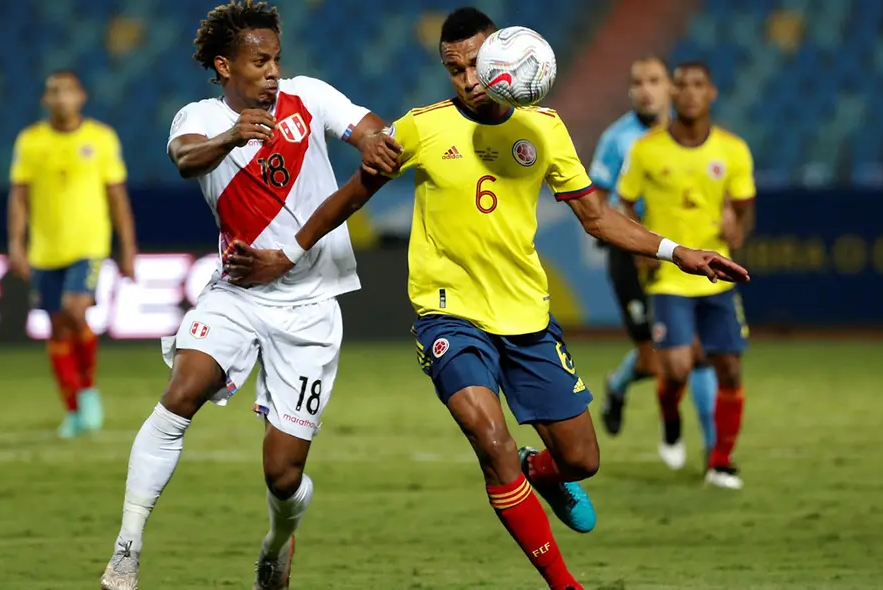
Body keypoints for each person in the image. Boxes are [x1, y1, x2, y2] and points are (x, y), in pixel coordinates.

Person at [223, 9, 749, 588]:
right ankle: (565, 583)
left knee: (581, 461)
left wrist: (679, 252)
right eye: (455, 69)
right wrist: (290, 252)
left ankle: (540, 472)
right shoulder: (421, 128)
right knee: (491, 440)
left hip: (526, 315)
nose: (468, 79)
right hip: (447, 313)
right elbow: (350, 197)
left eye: (475, 64)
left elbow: (597, 218)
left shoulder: (543, 129)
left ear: (503, 56)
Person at [98, 2, 402, 589]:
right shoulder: (199, 115)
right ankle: (126, 553)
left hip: (311, 308)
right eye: (259, 61)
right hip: (236, 294)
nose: (272, 71)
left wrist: (375, 144)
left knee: (282, 475)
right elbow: (185, 159)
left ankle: (277, 545)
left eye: (276, 59)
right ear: (224, 66)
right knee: (181, 394)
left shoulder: (307, 97)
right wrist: (229, 135)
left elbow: (373, 131)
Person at [616, 61, 755, 490]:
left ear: (712, 93)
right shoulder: (646, 149)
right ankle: (671, 419)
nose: (691, 93)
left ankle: (721, 461)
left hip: (718, 275)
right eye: (683, 86)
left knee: (728, 367)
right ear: (673, 95)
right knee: (675, 367)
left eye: (699, 85)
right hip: (671, 276)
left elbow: (745, 208)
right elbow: (625, 202)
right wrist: (641, 247)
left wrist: (738, 229)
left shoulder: (733, 150)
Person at [589, 57, 718, 470]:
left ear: (671, 89)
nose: (646, 89)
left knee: (695, 350)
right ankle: (618, 386)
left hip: (678, 252)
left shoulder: (688, 137)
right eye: (637, 81)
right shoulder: (617, 139)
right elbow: (596, 199)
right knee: (653, 359)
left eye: (654, 80)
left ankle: (713, 451)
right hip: (631, 255)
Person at [7, 70, 137, 439]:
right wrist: (16, 243)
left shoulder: (101, 138)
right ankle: (73, 409)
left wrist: (127, 248)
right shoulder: (31, 141)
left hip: (88, 246)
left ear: (81, 97)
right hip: (45, 250)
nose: (61, 98)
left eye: (67, 91)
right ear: (46, 100)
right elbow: (19, 196)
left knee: (75, 309)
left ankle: (88, 391)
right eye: (53, 92)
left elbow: (117, 197)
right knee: (58, 327)